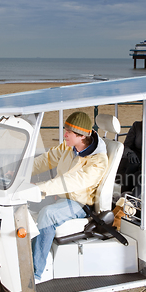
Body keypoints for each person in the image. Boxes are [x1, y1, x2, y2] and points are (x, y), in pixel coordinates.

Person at [31, 111, 108, 282]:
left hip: (79, 204)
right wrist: (20, 172)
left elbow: (72, 181)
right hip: (60, 196)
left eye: (69, 132)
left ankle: (36, 273)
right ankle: (25, 257)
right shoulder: (69, 147)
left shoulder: (98, 160)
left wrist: (41, 188)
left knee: (48, 215)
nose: (64, 134)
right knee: (22, 205)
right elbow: (47, 159)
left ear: (81, 136)